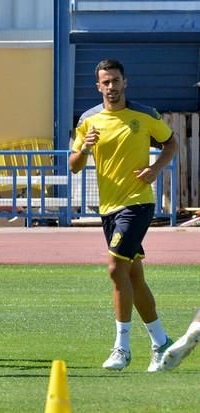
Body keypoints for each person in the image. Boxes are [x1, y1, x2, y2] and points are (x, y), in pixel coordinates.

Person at [69, 59, 177, 372]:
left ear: (125, 82)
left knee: (116, 268)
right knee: (133, 276)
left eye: (116, 81)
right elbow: (74, 165)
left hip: (138, 203)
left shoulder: (144, 115)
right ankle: (161, 342)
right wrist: (85, 148)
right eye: (106, 82)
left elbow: (170, 142)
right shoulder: (88, 120)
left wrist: (156, 169)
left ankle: (122, 348)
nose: (111, 87)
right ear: (98, 86)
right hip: (108, 208)